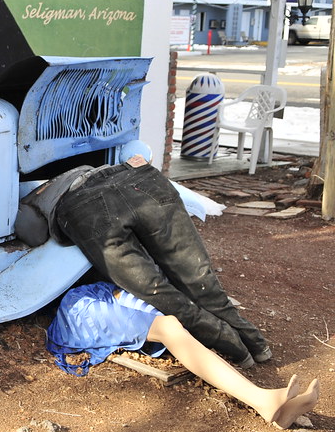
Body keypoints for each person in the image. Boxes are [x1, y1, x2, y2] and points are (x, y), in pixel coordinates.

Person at [17, 142, 270, 368]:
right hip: (136, 177)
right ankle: (256, 345)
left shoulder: (31, 194)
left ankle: (232, 347)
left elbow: (31, 230)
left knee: (156, 291)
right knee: (199, 278)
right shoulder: (83, 158)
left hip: (83, 205)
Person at [47, 282, 320, 429]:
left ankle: (275, 409)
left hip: (117, 297)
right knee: (170, 328)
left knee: (174, 328)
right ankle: (261, 399)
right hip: (88, 302)